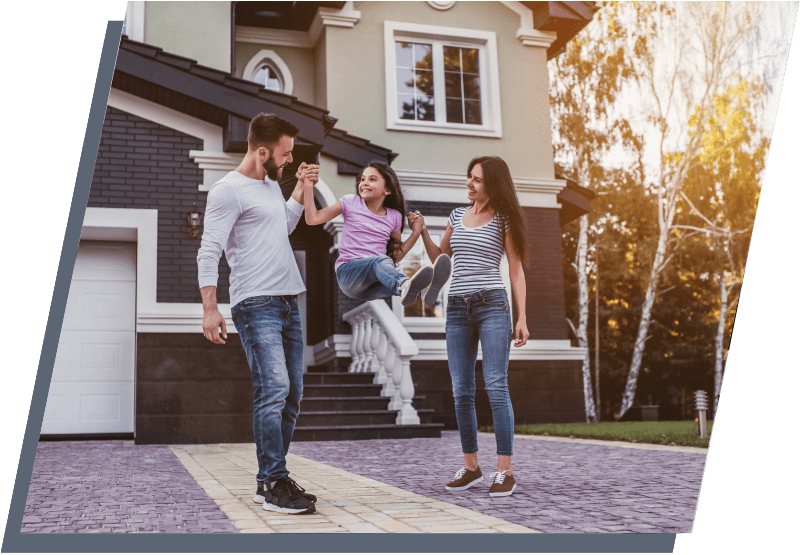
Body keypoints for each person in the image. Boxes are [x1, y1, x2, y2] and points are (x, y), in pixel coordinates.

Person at [197, 112, 319, 515]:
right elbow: (209, 249)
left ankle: (276, 475)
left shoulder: (269, 186)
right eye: (284, 155)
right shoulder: (227, 191)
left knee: (293, 394)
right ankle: (270, 483)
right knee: (274, 389)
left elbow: (283, 225)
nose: (287, 161)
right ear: (262, 150)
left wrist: (301, 187)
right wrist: (211, 308)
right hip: (256, 304)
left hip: (288, 302)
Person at [408, 156, 530, 498]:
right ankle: (472, 467)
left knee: (495, 384)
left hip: (492, 304)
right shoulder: (455, 217)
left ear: (492, 184)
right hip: (458, 308)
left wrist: (522, 317)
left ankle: (504, 471)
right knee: (461, 389)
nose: (469, 184)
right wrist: (421, 234)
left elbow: (516, 271)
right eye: (469, 178)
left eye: (476, 179)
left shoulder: (504, 220)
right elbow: (440, 259)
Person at [301, 161, 451, 306]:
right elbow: (313, 218)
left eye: (372, 179)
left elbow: (395, 255)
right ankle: (404, 284)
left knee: (388, 271)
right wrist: (308, 185)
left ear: (387, 190)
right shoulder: (350, 202)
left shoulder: (394, 216)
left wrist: (416, 232)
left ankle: (424, 291)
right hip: (348, 275)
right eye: (362, 179)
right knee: (381, 263)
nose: (364, 183)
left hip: (371, 284)